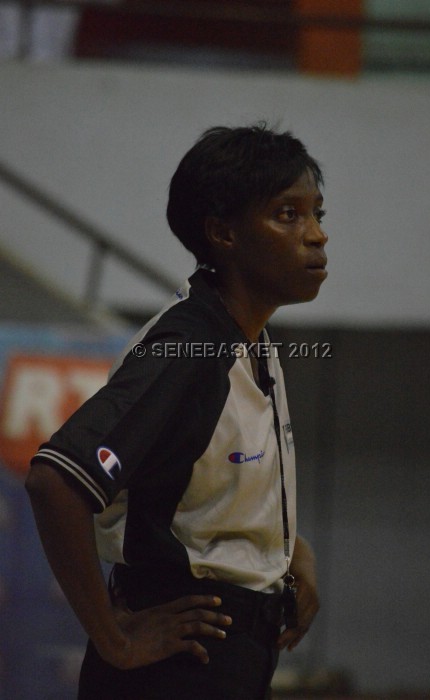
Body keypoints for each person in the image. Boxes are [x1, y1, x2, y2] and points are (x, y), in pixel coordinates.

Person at [26, 124, 327, 699]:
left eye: (317, 213)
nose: (316, 235)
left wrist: (291, 549)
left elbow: (201, 493)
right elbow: (55, 481)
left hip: (229, 649)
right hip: (181, 657)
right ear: (222, 233)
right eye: (288, 215)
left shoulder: (250, 336)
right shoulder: (188, 349)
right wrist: (113, 638)